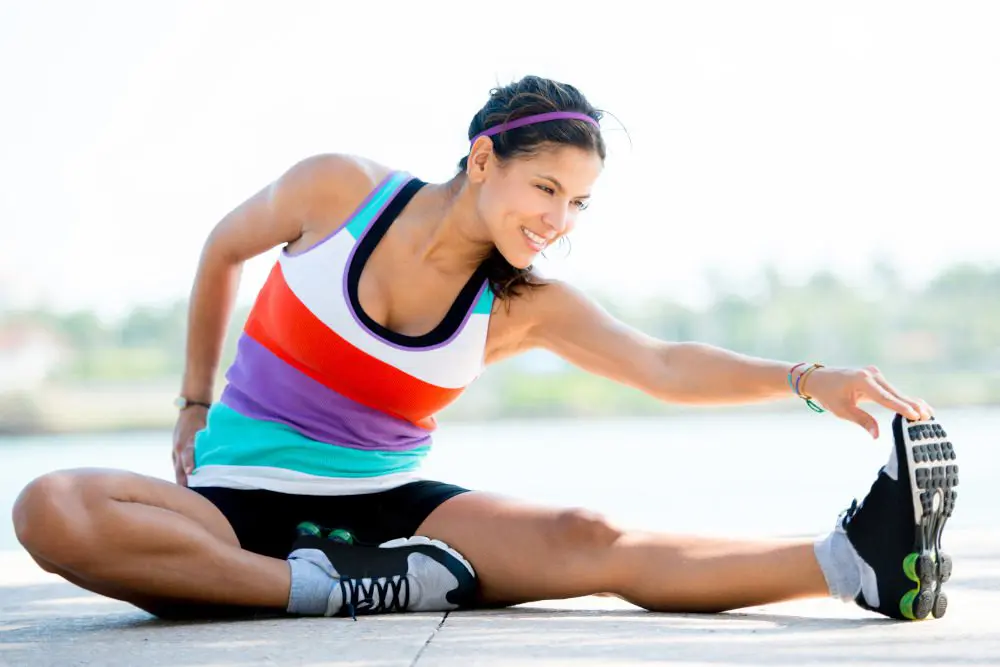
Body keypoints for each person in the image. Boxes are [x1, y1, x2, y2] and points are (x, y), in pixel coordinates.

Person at [12, 75, 959, 622]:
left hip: (390, 516)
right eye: (544, 188)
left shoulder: (522, 305)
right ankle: (321, 591)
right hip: (231, 507)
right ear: (481, 160)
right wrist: (190, 401)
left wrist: (807, 379)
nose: (558, 219)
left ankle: (855, 565)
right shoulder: (337, 191)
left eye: (578, 202)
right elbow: (222, 247)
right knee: (52, 505)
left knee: (592, 537)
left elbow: (664, 364)